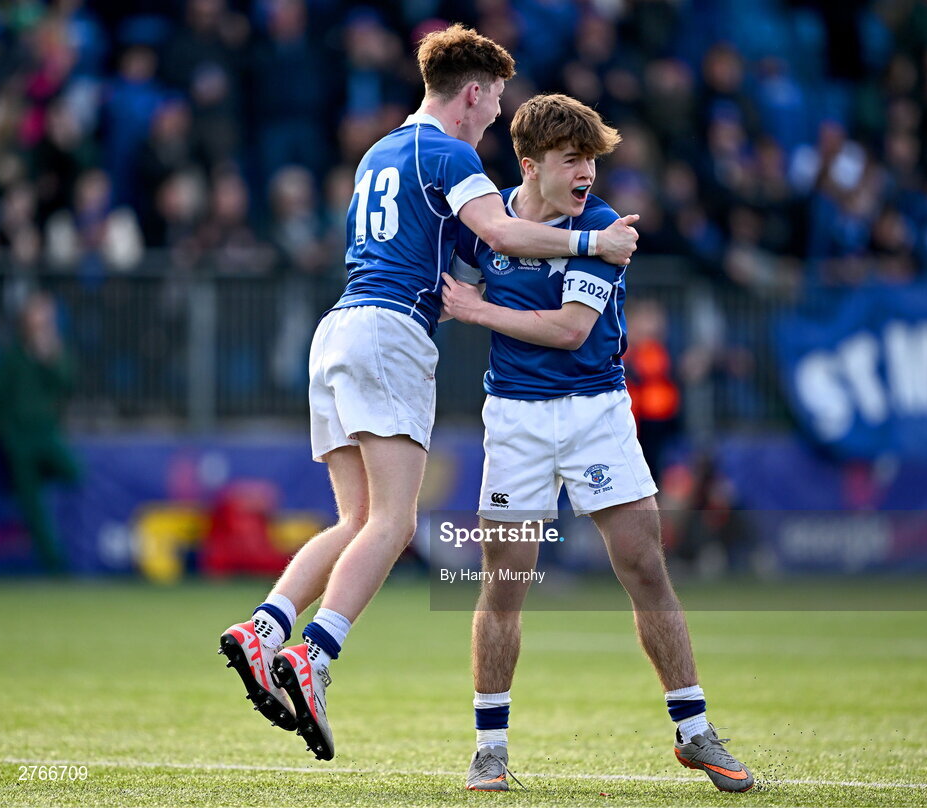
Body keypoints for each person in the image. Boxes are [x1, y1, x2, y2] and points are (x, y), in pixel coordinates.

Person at [218, 25, 640, 761]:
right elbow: (502, 235)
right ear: (472, 92)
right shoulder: (449, 151)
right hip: (390, 332)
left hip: (340, 327)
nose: (496, 118)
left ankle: (266, 625)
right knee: (395, 524)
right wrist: (590, 245)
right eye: (496, 100)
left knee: (354, 521)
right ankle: (314, 657)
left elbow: (464, 245)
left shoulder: (380, 152)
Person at [441, 94, 754, 793]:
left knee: (646, 566)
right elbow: (450, 275)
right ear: (531, 165)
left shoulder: (607, 226)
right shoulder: (485, 220)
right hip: (517, 420)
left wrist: (478, 310)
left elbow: (570, 330)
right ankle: (489, 748)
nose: (587, 172)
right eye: (572, 159)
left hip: (596, 413)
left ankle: (693, 730)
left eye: (592, 158)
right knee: (505, 581)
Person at [0, 292, 82, 573]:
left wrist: (51, 358)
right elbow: (1, 396)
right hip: (20, 439)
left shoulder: (53, 352)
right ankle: (54, 565)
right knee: (33, 509)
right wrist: (6, 432)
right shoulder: (13, 356)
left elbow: (67, 384)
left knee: (73, 471)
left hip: (46, 433)